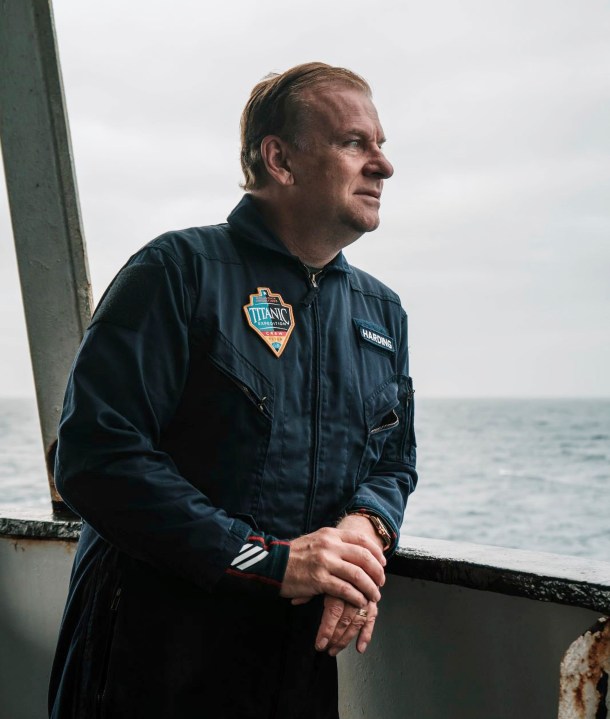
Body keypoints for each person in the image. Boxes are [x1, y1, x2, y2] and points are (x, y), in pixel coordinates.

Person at [48, 62, 417, 719]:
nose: (383, 165)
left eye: (381, 144)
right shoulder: (178, 272)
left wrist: (364, 531)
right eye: (356, 143)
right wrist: (271, 560)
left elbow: (394, 461)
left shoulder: (379, 314)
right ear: (280, 158)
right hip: (151, 661)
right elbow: (94, 458)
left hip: (294, 668)